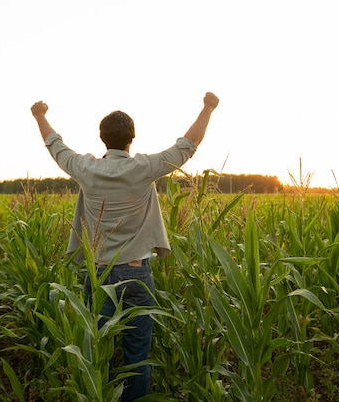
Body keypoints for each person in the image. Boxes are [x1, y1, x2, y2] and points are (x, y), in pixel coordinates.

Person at [30, 92, 219, 401]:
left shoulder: (85, 168)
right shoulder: (144, 168)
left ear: (102, 139)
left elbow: (56, 146)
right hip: (136, 274)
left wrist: (40, 115)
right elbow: (187, 147)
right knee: (137, 357)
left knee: (99, 353)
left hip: (100, 274)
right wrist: (208, 108)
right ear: (132, 138)